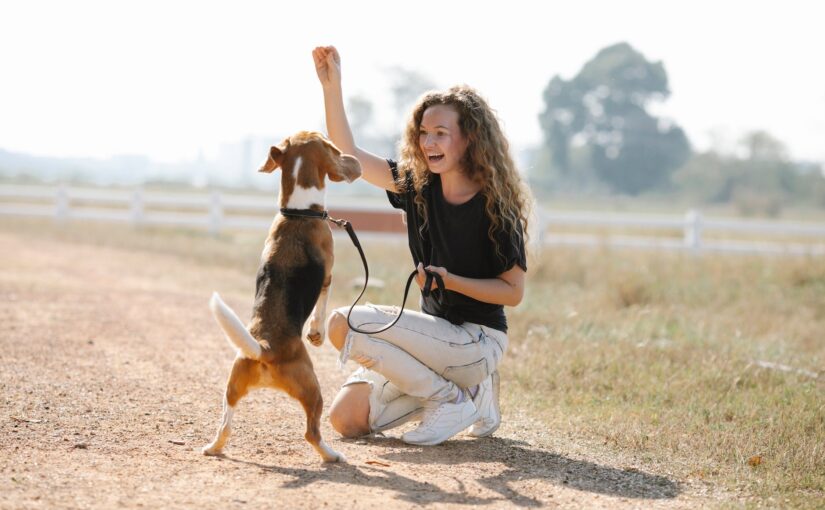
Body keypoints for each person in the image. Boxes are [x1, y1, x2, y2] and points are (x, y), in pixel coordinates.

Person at [312, 45, 530, 446]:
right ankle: (473, 397)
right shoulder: (417, 186)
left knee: (342, 323)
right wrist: (332, 87)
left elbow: (513, 293)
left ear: (469, 139)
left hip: (477, 342)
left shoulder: (497, 207)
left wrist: (452, 280)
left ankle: (450, 398)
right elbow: (350, 157)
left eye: (441, 133)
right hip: (435, 343)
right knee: (347, 420)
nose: (429, 141)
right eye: (424, 133)